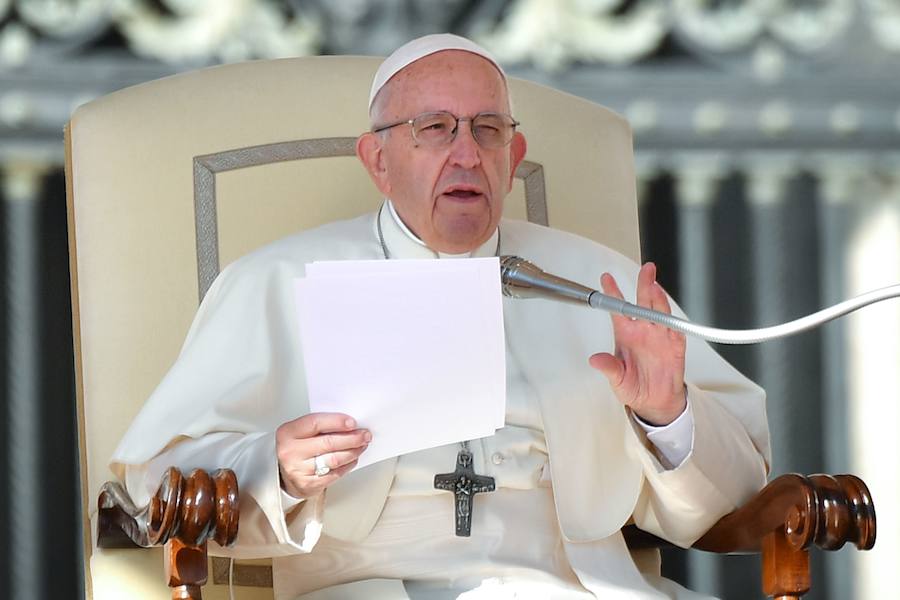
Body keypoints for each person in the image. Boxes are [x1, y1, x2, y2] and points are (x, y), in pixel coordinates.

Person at [113, 34, 770, 599]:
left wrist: (668, 414)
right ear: (377, 161)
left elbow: (732, 499)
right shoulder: (275, 281)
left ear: (513, 160)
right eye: (435, 129)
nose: (467, 153)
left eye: (488, 130)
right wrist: (276, 467)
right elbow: (157, 486)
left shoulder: (601, 283)